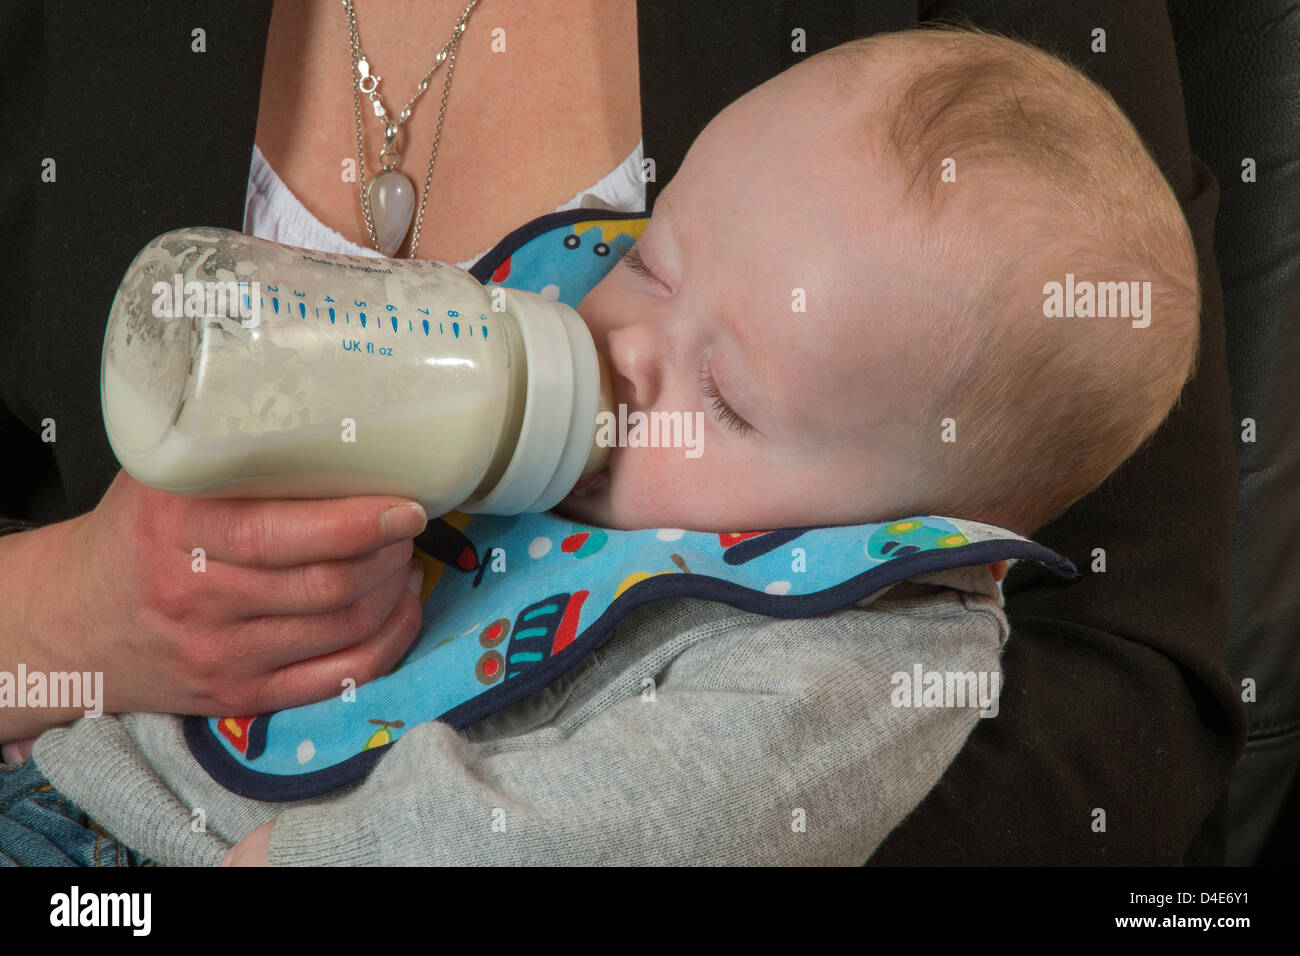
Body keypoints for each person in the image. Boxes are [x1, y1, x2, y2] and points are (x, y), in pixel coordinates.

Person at [0, 0, 1243, 866]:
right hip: (68, 769)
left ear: (904, 522)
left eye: (733, 399)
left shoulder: (844, 656)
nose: (627, 352)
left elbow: (624, 830)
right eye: (651, 262)